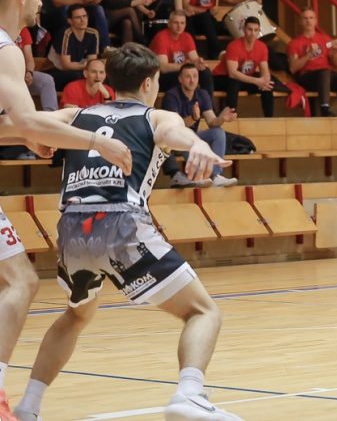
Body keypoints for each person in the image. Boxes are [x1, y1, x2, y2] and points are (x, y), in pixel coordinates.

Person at [5, 43, 242, 421]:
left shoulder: (76, 114)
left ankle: (29, 406)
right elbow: (174, 133)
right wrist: (197, 143)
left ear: (111, 81)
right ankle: (190, 394)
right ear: (149, 83)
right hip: (119, 223)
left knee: (76, 315)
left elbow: (21, 123)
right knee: (203, 312)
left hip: (71, 231)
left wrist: (28, 137)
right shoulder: (157, 115)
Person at [0, 0, 131, 421]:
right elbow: (26, 120)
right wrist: (97, 141)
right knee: (21, 282)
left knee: (20, 282)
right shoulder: (6, 50)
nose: (41, 1)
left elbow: (16, 126)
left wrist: (33, 132)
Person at [161, 62, 238, 189]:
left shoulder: (202, 94)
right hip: (175, 139)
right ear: (180, 79)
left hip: (193, 136)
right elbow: (176, 128)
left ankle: (216, 176)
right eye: (188, 77)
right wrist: (194, 118)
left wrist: (222, 118)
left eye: (195, 76)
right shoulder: (171, 96)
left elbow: (212, 122)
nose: (192, 80)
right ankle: (198, 177)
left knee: (218, 132)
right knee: (188, 138)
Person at [286, 7, 337, 117]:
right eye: (305, 18)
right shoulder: (295, 43)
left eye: (311, 18)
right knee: (324, 72)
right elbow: (293, 68)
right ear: (300, 21)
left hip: (328, 78)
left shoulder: (325, 39)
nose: (308, 21)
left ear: (316, 20)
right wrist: (309, 54)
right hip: (308, 78)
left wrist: (335, 50)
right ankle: (325, 110)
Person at [213, 16, 285, 118]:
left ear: (259, 31)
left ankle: (269, 119)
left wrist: (265, 81)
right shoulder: (234, 46)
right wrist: (256, 81)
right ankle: (231, 116)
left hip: (243, 77)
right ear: (244, 29)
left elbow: (265, 71)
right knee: (234, 82)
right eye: (249, 29)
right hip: (220, 77)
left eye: (256, 30)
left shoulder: (262, 47)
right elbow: (232, 73)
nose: (252, 33)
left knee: (267, 86)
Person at [149, 10, 215, 97]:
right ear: (169, 24)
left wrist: (199, 63)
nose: (179, 26)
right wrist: (186, 65)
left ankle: (208, 104)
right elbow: (163, 68)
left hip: (181, 72)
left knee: (205, 72)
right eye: (176, 22)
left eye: (182, 23)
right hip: (160, 77)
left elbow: (194, 58)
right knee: (182, 77)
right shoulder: (161, 37)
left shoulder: (187, 37)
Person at [47, 4, 99, 91]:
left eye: (84, 16)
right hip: (55, 71)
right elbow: (66, 65)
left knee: (99, 76)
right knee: (78, 76)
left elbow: (92, 60)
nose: (82, 20)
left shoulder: (93, 34)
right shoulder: (65, 33)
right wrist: (86, 66)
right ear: (70, 21)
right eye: (78, 17)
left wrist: (90, 67)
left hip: (78, 70)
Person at [16, 26, 57, 111]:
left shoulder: (23, 30)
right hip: (5, 77)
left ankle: (51, 116)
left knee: (47, 80)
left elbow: (29, 60)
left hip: (22, 75)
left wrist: (29, 72)